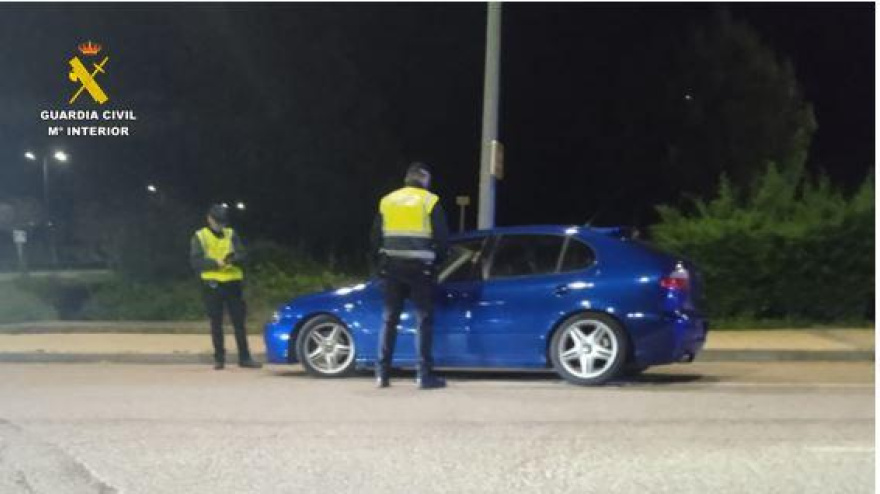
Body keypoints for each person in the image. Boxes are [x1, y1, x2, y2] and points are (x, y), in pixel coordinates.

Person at [371, 162, 449, 389]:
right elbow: (443, 239)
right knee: (423, 320)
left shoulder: (388, 200)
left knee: (389, 320)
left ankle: (382, 374)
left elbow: (374, 237)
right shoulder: (429, 201)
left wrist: (379, 264)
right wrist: (438, 263)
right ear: (424, 180)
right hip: (420, 269)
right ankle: (423, 376)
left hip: (392, 268)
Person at [190, 204, 262, 370]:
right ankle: (219, 359)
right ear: (209, 219)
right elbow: (196, 262)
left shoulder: (231, 233)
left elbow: (243, 254)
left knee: (239, 322)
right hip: (212, 284)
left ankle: (244, 358)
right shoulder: (200, 236)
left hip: (233, 283)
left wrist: (233, 259)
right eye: (218, 221)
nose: (221, 225)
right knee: (216, 322)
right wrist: (216, 263)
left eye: (223, 222)